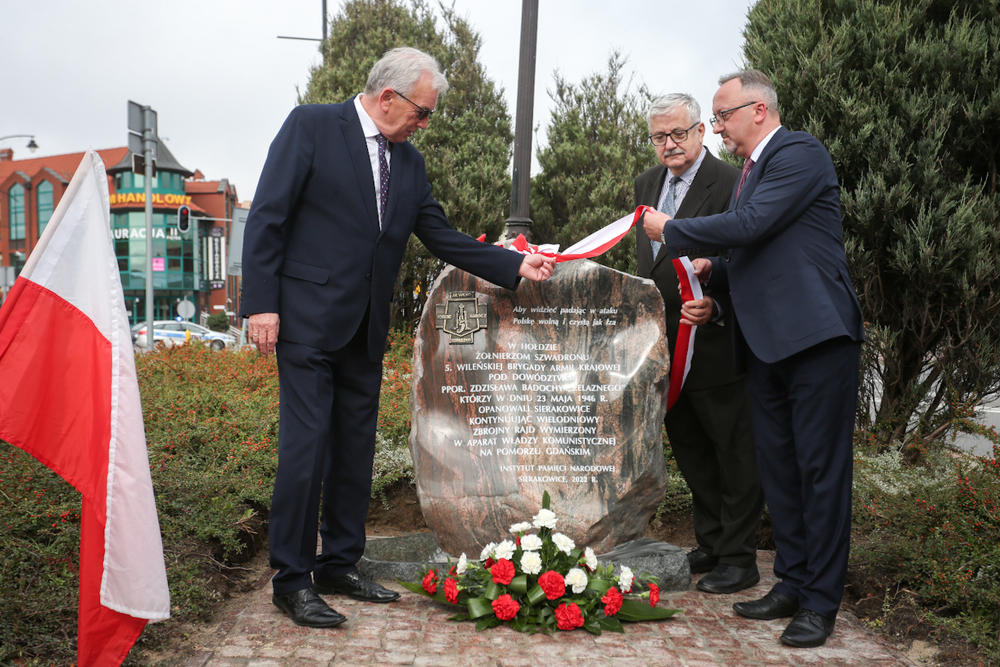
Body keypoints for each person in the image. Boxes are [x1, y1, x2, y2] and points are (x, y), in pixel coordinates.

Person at [239, 47, 555, 629]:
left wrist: (514, 267)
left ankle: (339, 563)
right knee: (305, 453)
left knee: (355, 452)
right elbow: (268, 217)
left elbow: (439, 235)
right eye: (422, 111)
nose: (424, 123)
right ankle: (291, 579)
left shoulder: (407, 163)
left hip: (365, 328)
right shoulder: (311, 125)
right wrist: (261, 305)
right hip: (306, 322)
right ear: (388, 97)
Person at [642, 70, 864, 648]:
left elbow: (752, 224)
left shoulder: (798, 152)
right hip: (764, 345)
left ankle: (820, 602)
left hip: (815, 339)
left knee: (819, 473)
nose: (717, 127)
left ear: (758, 110)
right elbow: (752, 248)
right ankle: (790, 582)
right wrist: (717, 287)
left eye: (720, 116)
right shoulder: (750, 171)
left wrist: (676, 230)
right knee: (782, 473)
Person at [635, 93, 763, 595]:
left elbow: (750, 262)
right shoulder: (647, 184)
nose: (668, 145)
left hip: (715, 341)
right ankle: (710, 543)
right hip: (664, 347)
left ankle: (739, 558)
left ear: (700, 132)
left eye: (677, 134)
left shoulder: (733, 183)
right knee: (691, 450)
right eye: (658, 137)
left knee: (733, 453)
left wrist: (717, 305)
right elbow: (650, 265)